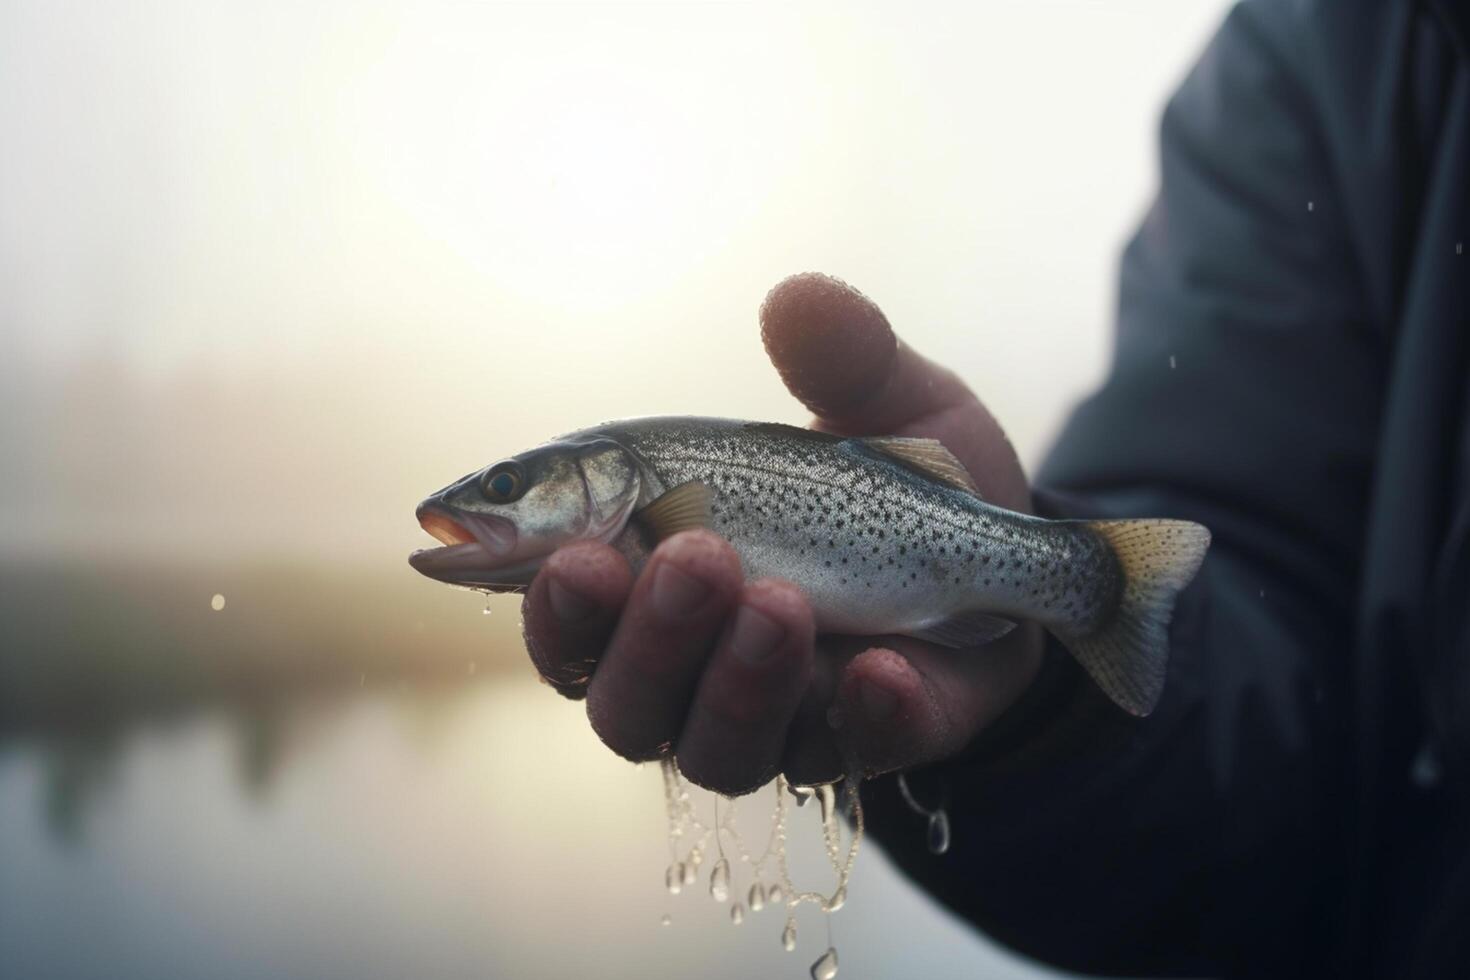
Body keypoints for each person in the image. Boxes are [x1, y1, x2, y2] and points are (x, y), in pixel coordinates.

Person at [520, 1, 1468, 975]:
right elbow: (1296, 769)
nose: (494, 506)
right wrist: (1035, 709)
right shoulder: (1325, 47)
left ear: (596, 479)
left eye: (513, 488)